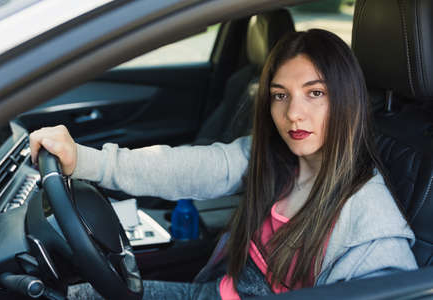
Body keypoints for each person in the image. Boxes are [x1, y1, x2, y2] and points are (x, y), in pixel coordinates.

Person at [29, 29, 418, 299]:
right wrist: (84, 159)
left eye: (315, 93)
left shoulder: (371, 225)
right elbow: (185, 166)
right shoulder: (272, 157)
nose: (294, 114)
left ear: (347, 99)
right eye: (280, 96)